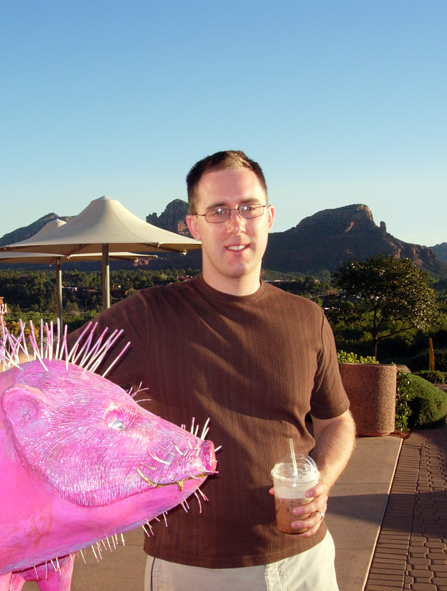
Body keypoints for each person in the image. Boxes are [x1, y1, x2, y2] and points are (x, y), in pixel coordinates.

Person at [68, 150, 356, 590]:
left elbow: (337, 421)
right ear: (194, 225)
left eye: (248, 208)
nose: (236, 224)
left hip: (306, 564)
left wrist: (320, 480)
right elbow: (52, 383)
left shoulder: (308, 318)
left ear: (270, 216)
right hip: (194, 570)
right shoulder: (147, 317)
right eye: (218, 211)